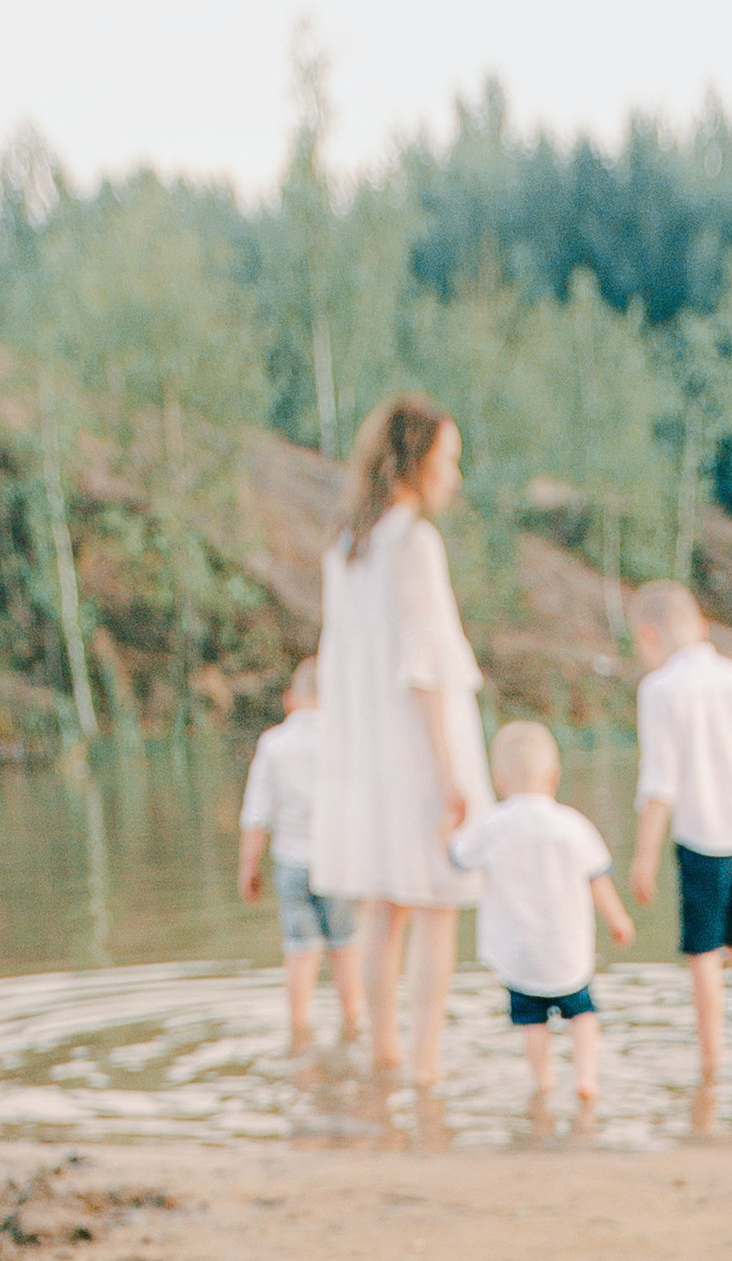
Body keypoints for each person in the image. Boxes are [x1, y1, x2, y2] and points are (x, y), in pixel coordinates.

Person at [312, 393, 491, 1084]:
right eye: (448, 460)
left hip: (363, 751)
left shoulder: (348, 544)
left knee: (383, 909)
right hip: (417, 747)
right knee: (437, 906)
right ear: (414, 463)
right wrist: (450, 774)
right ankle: (424, 1069)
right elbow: (426, 666)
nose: (455, 475)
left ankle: (383, 1056)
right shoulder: (414, 541)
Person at [625, 579, 732, 1081]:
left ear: (649, 637)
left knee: (703, 956)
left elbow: (660, 783)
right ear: (699, 625)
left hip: (703, 842)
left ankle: (711, 1060)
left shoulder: (660, 689)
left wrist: (645, 854)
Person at [450, 720, 634, 1114]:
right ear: (553, 776)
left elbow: (460, 858)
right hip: (566, 950)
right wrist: (618, 919)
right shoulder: (572, 824)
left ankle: (544, 1081)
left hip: (520, 952)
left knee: (532, 1021)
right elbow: (597, 878)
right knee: (583, 1013)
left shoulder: (494, 825)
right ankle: (586, 1077)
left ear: (499, 780)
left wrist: (444, 831)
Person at [236, 657, 363, 1054]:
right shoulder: (346, 739)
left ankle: (298, 1031)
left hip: (291, 863)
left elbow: (256, 814)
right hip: (337, 863)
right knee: (344, 945)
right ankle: (353, 1023)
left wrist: (248, 868)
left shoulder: (273, 744)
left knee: (299, 947)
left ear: (291, 699)